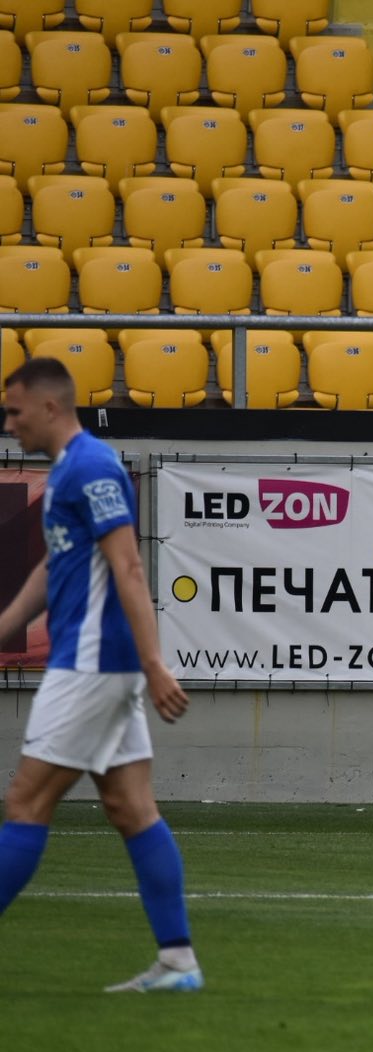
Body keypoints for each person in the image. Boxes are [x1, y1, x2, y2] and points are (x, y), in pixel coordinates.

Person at [0, 357, 202, 992]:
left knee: (26, 802)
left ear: (50, 407)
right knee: (130, 807)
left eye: (15, 412)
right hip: (99, 664)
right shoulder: (69, 470)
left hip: (91, 663)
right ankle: (178, 963)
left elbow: (129, 567)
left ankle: (178, 961)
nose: (9, 424)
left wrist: (154, 662)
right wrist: (5, 626)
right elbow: (54, 567)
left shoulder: (91, 468)